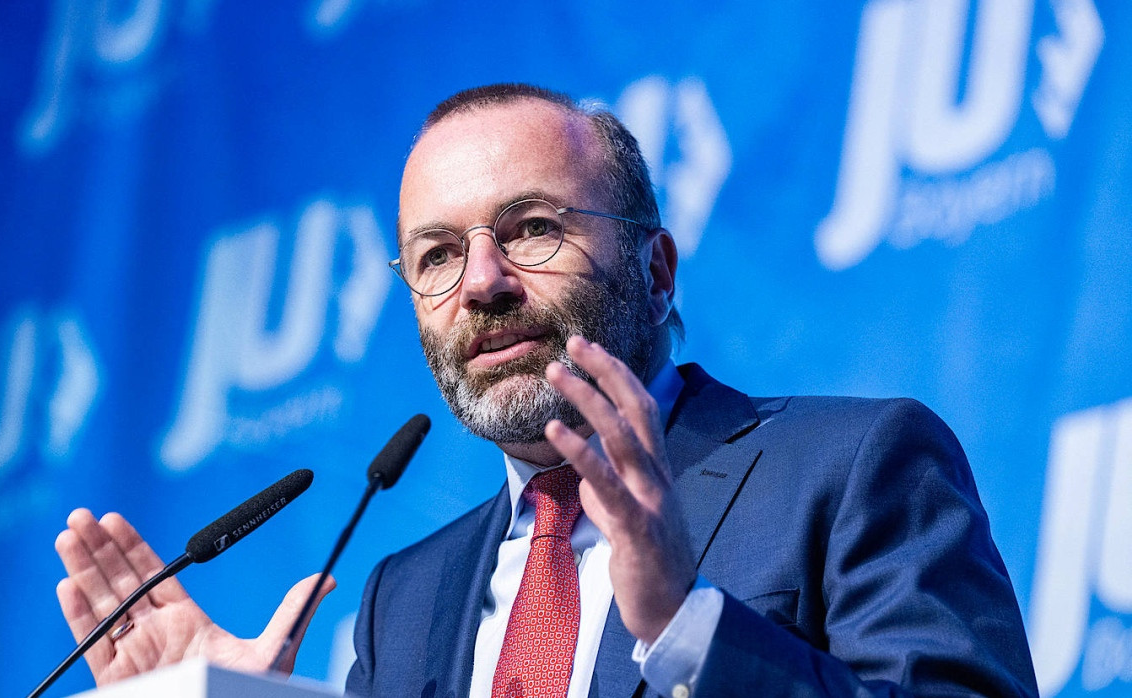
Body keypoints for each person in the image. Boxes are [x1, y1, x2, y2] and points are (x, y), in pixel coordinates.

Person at [52, 84, 1038, 697]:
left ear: (655, 269)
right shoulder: (407, 596)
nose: (481, 282)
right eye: (436, 253)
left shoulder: (853, 467)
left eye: (528, 228)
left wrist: (688, 622)